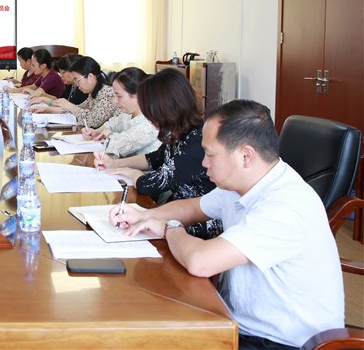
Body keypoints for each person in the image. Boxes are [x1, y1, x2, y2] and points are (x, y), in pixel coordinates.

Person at [111, 100, 344, 349]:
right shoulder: (244, 182)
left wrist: (170, 228)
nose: (204, 163)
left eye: (211, 155)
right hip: (236, 321)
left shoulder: (285, 205)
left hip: (279, 342)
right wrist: (145, 216)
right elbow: (194, 208)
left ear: (245, 155)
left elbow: (200, 262)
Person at [95, 68, 220, 239]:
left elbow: (150, 185)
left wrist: (131, 172)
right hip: (176, 213)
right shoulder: (178, 131)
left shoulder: (197, 142)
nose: (147, 116)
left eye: (149, 111)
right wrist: (115, 164)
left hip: (198, 225)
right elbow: (154, 159)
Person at [81, 67, 160, 157]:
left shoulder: (151, 122)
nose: (115, 101)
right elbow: (112, 125)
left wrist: (109, 135)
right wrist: (95, 132)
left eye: (119, 96)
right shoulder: (128, 114)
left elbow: (118, 146)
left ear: (138, 94)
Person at [30, 56, 116, 128]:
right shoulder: (93, 93)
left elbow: (92, 121)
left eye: (77, 80)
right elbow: (77, 109)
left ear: (90, 77)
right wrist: (46, 109)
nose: (77, 84)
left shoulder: (107, 94)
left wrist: (70, 106)